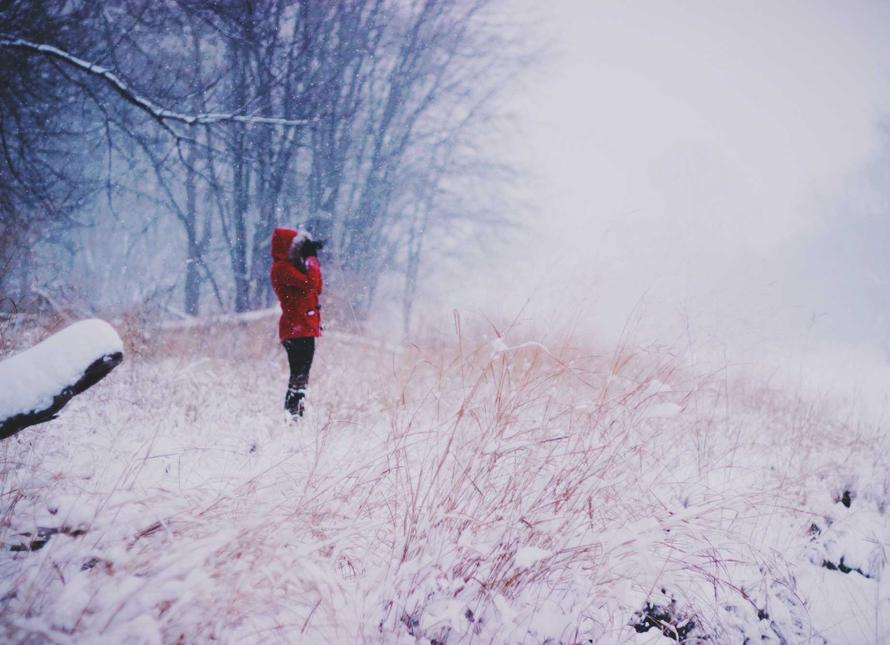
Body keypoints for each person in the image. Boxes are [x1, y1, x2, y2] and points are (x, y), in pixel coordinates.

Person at [270, 227, 323, 418]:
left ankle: (295, 415)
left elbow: (317, 287)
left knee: (301, 377)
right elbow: (310, 284)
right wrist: (311, 259)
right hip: (297, 329)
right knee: (299, 377)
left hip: (303, 328)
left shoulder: (292, 268)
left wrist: (309, 261)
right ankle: (293, 416)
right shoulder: (282, 269)